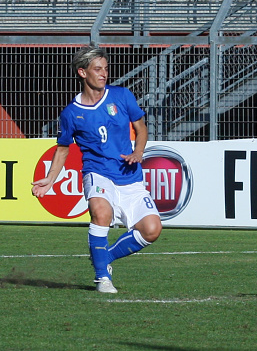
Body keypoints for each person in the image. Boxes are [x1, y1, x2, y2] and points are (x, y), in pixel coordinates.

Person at [31, 45, 162, 294]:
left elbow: (141, 126)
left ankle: (104, 257)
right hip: (97, 172)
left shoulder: (122, 96)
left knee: (152, 230)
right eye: (97, 69)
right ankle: (102, 277)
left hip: (129, 175)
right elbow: (62, 149)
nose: (104, 74)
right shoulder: (71, 113)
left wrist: (138, 151)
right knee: (101, 213)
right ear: (82, 72)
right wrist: (49, 180)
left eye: (106, 69)